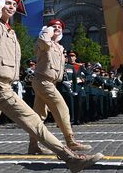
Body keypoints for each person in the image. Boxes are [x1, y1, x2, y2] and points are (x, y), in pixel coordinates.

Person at [0, 0, 103, 173]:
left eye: (13, 5)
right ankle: (70, 157)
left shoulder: (8, 30)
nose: (10, 7)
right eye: (7, 3)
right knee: (33, 120)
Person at [28, 19, 91, 155]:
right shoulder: (43, 42)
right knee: (62, 107)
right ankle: (70, 140)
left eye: (59, 27)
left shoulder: (60, 48)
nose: (57, 28)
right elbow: (44, 41)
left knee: (38, 116)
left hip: (51, 82)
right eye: (54, 26)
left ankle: (33, 145)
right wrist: (47, 30)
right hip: (43, 80)